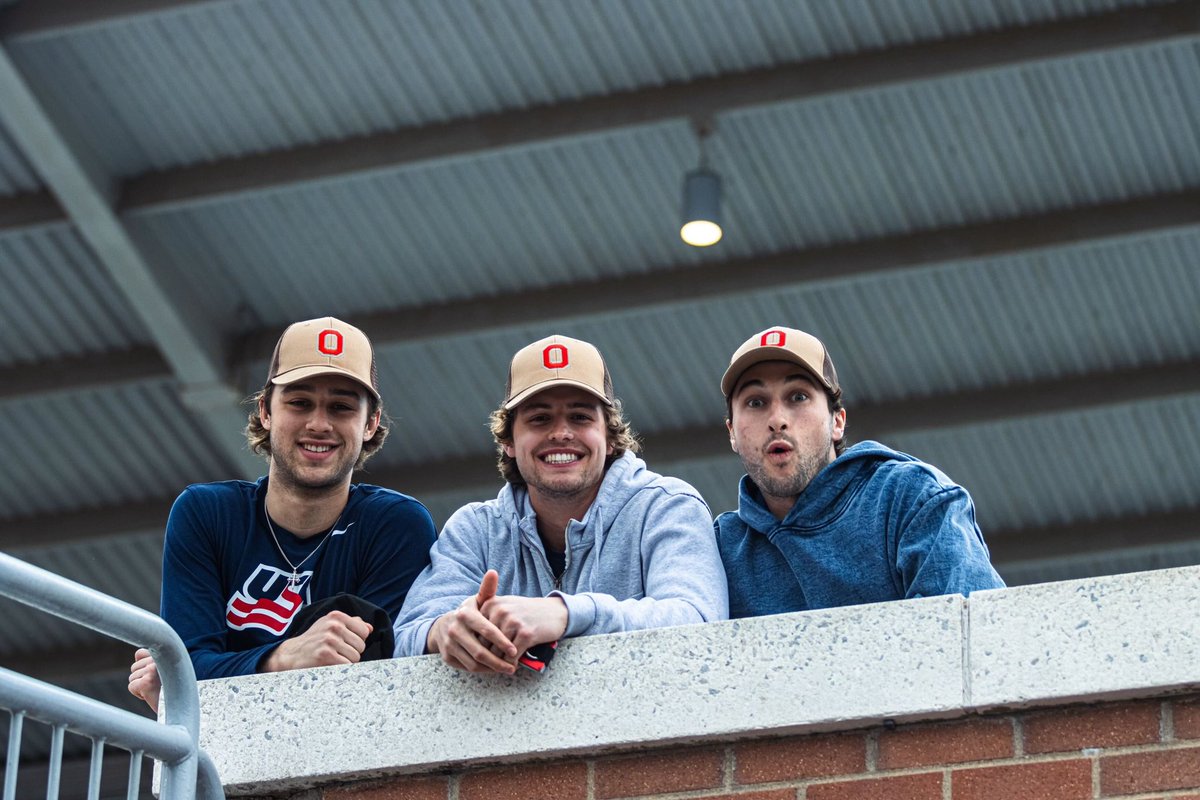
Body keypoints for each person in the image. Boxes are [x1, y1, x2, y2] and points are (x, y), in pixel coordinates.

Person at [128, 317, 436, 710]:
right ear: (266, 411)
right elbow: (182, 672)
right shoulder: (206, 513)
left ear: (371, 423)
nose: (319, 424)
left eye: (341, 407)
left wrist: (202, 685)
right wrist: (284, 657)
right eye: (299, 402)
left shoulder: (395, 525)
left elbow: (378, 692)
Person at [392, 334, 727, 673]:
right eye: (539, 419)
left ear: (610, 437)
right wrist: (443, 631)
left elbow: (699, 620)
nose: (561, 433)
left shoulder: (666, 506)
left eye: (580, 417)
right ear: (508, 441)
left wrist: (566, 613)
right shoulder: (475, 529)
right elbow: (404, 637)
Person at [716, 325, 1004, 618]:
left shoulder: (909, 499)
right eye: (755, 402)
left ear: (837, 422)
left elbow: (975, 637)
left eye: (798, 397)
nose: (777, 420)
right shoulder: (719, 550)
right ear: (732, 433)